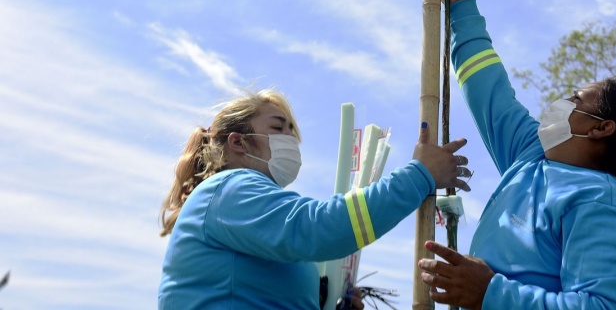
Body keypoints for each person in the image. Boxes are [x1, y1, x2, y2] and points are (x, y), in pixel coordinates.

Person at [418, 0, 616, 310]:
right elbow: (488, 88)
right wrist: (463, 9)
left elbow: (603, 306)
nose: (560, 103)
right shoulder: (531, 155)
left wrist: (488, 292)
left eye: (575, 99)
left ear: (600, 128)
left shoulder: (607, 205)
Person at [158, 89, 471, 309]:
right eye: (278, 128)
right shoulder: (229, 189)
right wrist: (419, 175)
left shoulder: (238, 201)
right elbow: (319, 228)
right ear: (239, 142)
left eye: (292, 131)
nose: (290, 139)